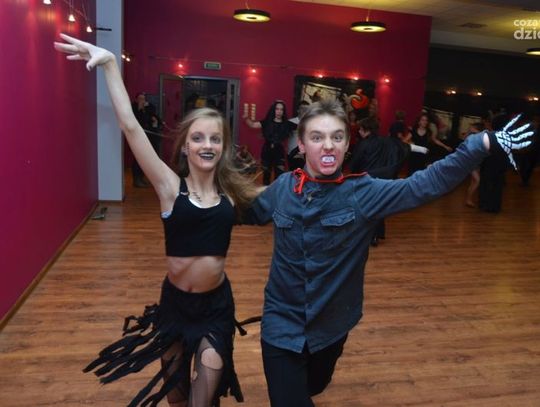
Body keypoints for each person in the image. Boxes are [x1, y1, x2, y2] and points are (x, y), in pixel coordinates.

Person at [244, 101, 532, 407]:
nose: (328, 145)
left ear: (347, 144)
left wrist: (479, 144)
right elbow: (241, 211)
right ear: (301, 145)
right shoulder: (283, 188)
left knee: (313, 386)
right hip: (281, 324)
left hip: (330, 327)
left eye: (337, 137)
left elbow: (424, 184)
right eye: (317, 137)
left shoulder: (363, 193)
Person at [54, 34, 260, 407]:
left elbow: (275, 196)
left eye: (215, 139)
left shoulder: (231, 193)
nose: (207, 145)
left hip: (216, 308)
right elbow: (131, 127)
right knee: (176, 399)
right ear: (186, 145)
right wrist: (110, 64)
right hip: (175, 306)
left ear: (223, 146)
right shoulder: (169, 187)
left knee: (203, 396)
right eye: (198, 138)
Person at [244, 101, 294, 185]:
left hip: (279, 152)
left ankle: (277, 191)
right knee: (266, 175)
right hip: (267, 151)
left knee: (279, 175)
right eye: (277, 109)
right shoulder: (267, 122)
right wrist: (246, 118)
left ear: (283, 111)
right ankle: (267, 191)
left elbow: (302, 126)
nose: (279, 111)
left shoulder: (287, 124)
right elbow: (252, 125)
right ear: (273, 110)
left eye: (281, 109)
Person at [131, 92, 161, 187]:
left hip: (149, 137)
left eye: (143, 99)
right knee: (138, 158)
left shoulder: (148, 108)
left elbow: (154, 118)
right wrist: (139, 109)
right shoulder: (134, 108)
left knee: (145, 159)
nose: (142, 100)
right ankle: (136, 179)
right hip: (137, 137)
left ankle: (141, 178)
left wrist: (156, 122)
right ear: (136, 100)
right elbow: (136, 121)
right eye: (140, 98)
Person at [464, 122, 485, 207]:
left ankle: (468, 199)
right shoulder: (472, 136)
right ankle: (468, 199)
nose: (469, 128)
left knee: (473, 181)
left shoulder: (478, 136)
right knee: (477, 180)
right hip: (471, 161)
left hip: (476, 161)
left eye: (471, 127)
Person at [287, 101, 310, 171]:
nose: (304, 111)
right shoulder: (291, 122)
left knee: (304, 174)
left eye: (306, 109)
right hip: (292, 151)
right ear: (298, 110)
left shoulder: (311, 123)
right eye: (302, 108)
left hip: (306, 153)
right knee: (294, 173)